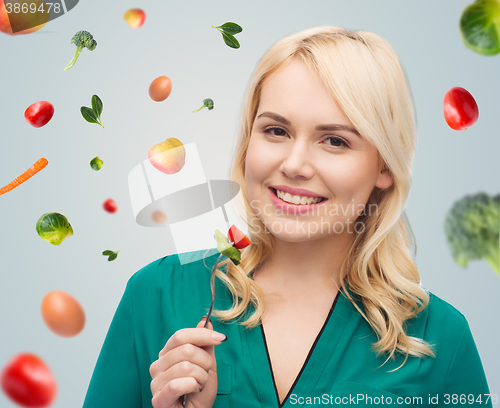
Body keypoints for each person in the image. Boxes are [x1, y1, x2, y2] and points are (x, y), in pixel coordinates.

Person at [82, 26, 492, 408]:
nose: (295, 164)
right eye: (276, 131)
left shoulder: (439, 338)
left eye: (334, 140)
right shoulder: (156, 295)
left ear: (384, 167)